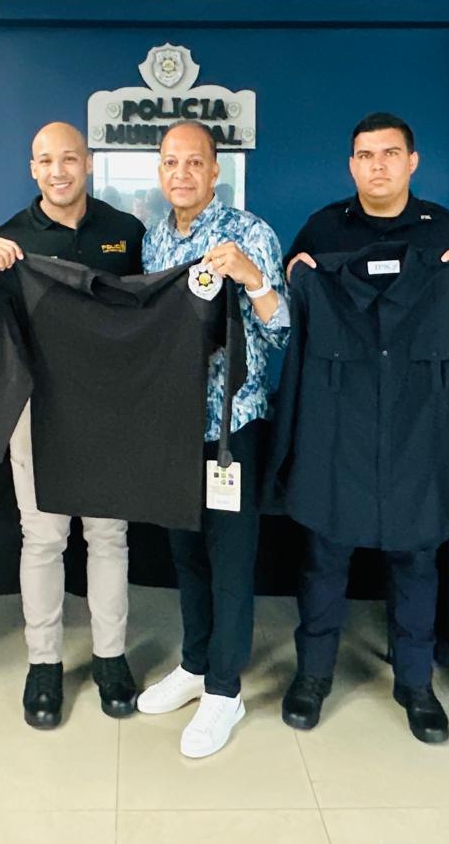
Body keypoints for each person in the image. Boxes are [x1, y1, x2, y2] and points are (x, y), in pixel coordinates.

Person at [278, 112, 449, 743]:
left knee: (417, 556)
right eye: (365, 155)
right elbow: (292, 315)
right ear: (352, 165)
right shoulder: (322, 229)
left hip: (418, 425)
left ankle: (416, 683)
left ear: (411, 161)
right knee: (323, 554)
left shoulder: (446, 232)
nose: (378, 166)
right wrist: (293, 278)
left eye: (390, 154)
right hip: (339, 422)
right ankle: (313, 674)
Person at [0, 122, 146, 730]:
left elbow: (150, 311)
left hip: (108, 407)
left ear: (88, 163)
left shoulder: (125, 232)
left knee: (108, 536)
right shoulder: (9, 238)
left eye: (68, 159)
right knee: (44, 538)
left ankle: (110, 657)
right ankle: (43, 662)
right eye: (45, 160)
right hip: (35, 405)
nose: (57, 171)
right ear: (32, 168)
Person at [133, 119, 289, 759]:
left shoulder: (251, 233)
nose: (182, 174)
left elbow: (282, 332)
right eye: (171, 163)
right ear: (160, 171)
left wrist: (254, 279)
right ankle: (195, 664)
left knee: (230, 559)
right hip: (173, 428)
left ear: (215, 170)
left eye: (194, 162)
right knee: (186, 554)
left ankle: (226, 689)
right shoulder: (152, 240)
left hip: (232, 428)